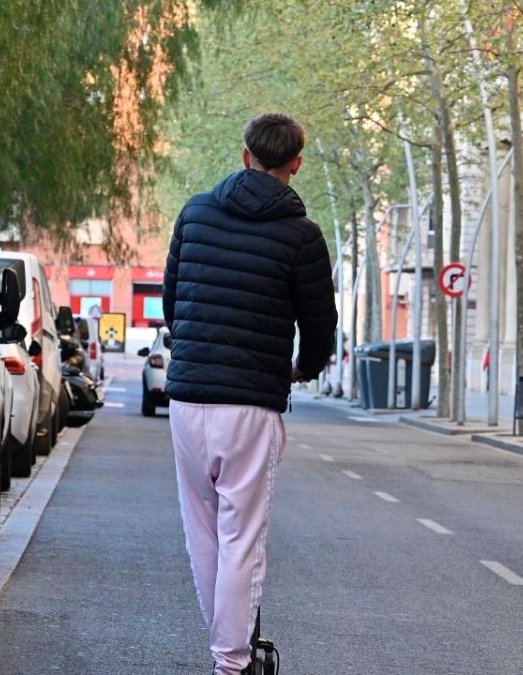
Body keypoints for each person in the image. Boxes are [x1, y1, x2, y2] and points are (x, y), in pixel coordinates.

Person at [163, 113, 337, 675]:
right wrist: (302, 370)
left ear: (245, 156)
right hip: (251, 405)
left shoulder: (194, 212)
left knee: (202, 528)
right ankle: (231, 662)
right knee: (242, 535)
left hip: (188, 398)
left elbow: (173, 300)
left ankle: (225, 644)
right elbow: (319, 325)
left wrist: (192, 348)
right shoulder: (301, 236)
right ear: (296, 165)